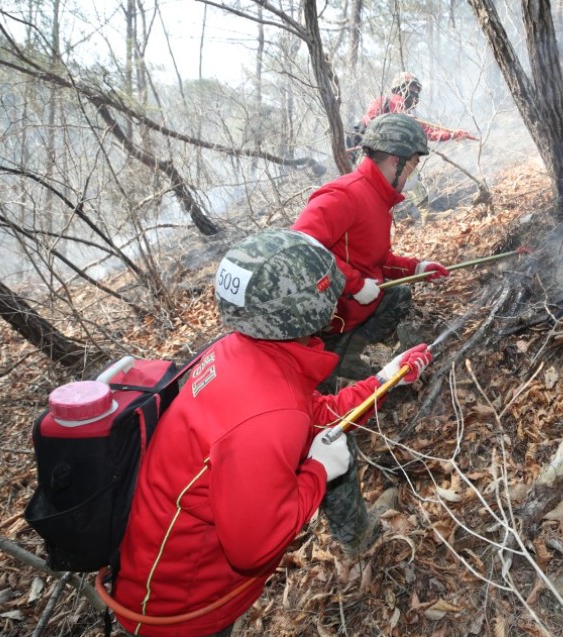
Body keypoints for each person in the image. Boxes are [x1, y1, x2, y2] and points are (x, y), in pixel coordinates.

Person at [110, 229, 433, 637]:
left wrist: (385, 381)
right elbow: (254, 548)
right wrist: (317, 472)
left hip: (170, 573)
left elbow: (317, 413)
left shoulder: (241, 350)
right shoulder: (266, 414)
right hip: (183, 606)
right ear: (309, 310)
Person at [292, 113, 449, 382]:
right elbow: (300, 248)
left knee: (399, 296)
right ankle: (333, 356)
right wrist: (353, 284)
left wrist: (417, 268)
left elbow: (374, 258)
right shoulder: (344, 195)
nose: (413, 175)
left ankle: (348, 352)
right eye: (413, 165)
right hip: (328, 322)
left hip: (355, 311)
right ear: (395, 160)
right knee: (325, 404)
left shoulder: (378, 197)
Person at [347, 71, 474, 158]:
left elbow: (430, 134)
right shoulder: (383, 102)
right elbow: (371, 122)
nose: (415, 93)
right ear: (400, 88)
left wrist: (453, 134)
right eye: (412, 88)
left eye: (417, 91)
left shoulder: (409, 118)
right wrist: (399, 121)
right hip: (363, 153)